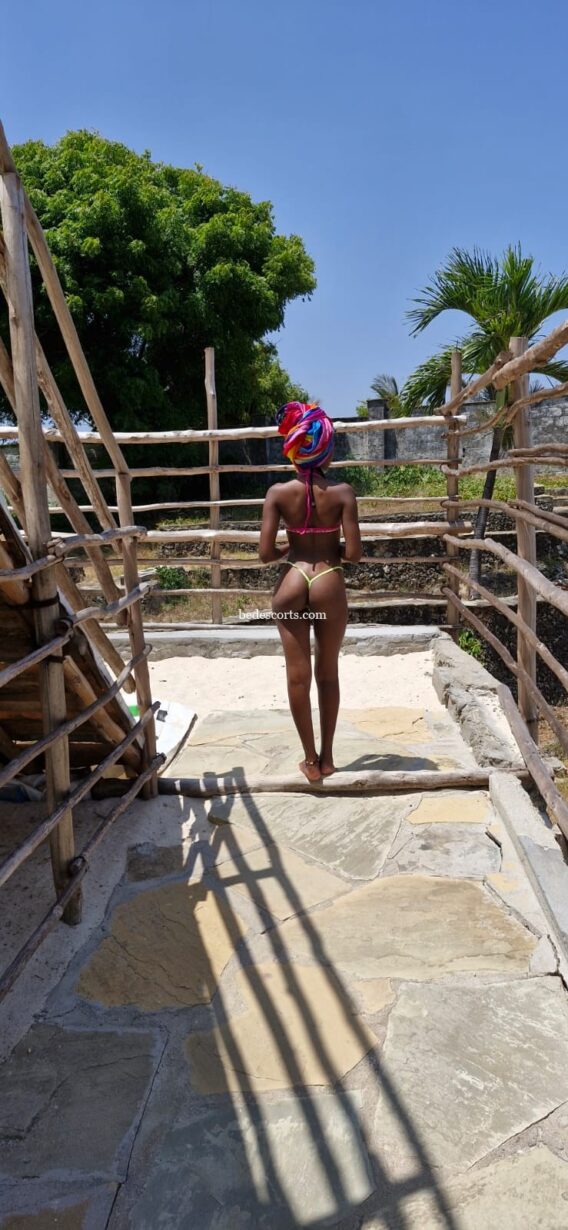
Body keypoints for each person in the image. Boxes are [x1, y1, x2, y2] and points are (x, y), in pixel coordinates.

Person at [259, 402, 362, 781]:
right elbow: (353, 554)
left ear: (293, 451)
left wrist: (292, 547)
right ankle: (329, 757)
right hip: (328, 579)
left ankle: (310, 760)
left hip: (292, 578)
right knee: (328, 673)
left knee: (297, 676)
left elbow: (265, 554)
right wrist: (330, 549)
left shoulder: (277, 493)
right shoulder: (344, 493)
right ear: (327, 451)